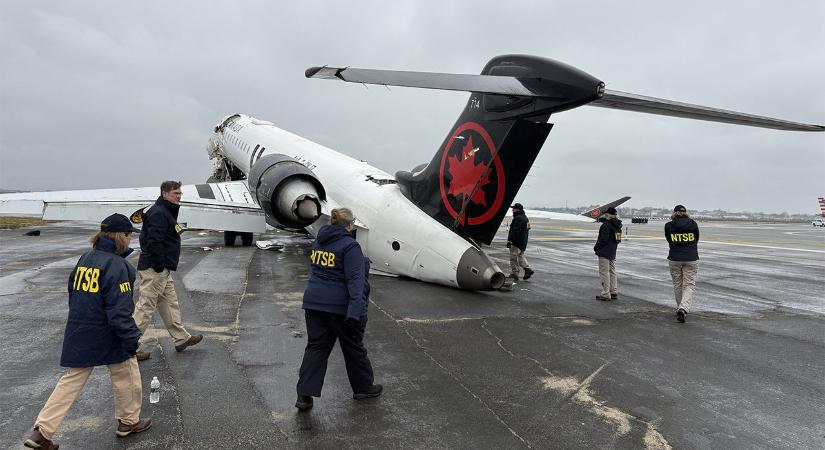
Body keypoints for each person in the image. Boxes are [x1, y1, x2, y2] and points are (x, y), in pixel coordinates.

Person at [24, 214, 151, 450]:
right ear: (120, 236)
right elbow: (120, 311)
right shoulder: (118, 266)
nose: (130, 239)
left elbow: (73, 291)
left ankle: (41, 431)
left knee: (71, 380)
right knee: (127, 372)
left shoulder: (86, 258)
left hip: (80, 328)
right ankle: (128, 421)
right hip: (108, 332)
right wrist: (131, 339)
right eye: (129, 235)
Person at [295, 207, 381, 411]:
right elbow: (355, 282)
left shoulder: (319, 242)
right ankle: (363, 387)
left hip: (314, 304)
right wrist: (355, 312)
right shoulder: (350, 246)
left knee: (316, 348)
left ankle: (304, 396)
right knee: (353, 347)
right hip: (339, 308)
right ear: (350, 225)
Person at [133, 181, 202, 361]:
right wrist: (158, 265)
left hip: (162, 268)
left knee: (169, 303)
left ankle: (181, 338)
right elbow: (153, 241)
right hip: (155, 268)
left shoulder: (165, 211)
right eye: (175, 193)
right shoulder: (159, 213)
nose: (179, 196)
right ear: (164, 194)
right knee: (146, 307)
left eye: (180, 193)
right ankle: (127, 347)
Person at [665, 204, 700, 323]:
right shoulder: (693, 224)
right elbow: (696, 239)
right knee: (689, 285)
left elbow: (669, 240)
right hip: (691, 257)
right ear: (686, 212)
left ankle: (680, 307)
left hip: (675, 258)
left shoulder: (669, 225)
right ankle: (683, 308)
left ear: (674, 212)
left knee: (677, 284)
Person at [594, 206, 622, 301]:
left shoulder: (606, 225)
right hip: (612, 251)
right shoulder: (618, 225)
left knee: (604, 272)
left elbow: (603, 240)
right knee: (612, 271)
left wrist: (596, 247)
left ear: (608, 215)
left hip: (604, 252)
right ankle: (613, 291)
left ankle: (606, 293)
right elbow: (618, 240)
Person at [506, 203, 534, 281]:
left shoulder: (518, 218)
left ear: (517, 209)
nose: (512, 210)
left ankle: (515, 274)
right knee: (520, 256)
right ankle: (528, 269)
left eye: (514, 208)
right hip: (523, 242)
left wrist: (510, 241)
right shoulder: (525, 218)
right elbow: (528, 228)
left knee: (513, 258)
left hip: (516, 242)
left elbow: (516, 231)